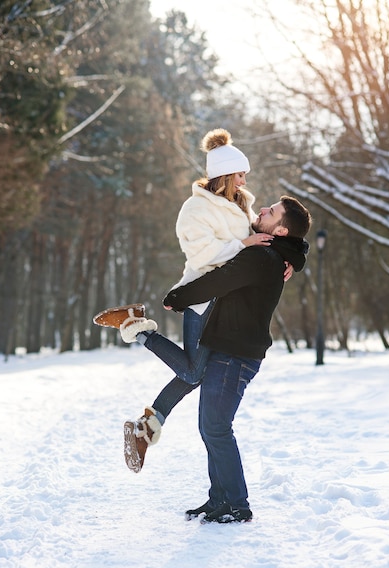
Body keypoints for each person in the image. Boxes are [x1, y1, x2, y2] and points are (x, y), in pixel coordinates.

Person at [94, 129, 290, 467]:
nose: (245, 180)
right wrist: (244, 245)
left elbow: (269, 238)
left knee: (197, 373)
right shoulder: (195, 210)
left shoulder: (240, 205)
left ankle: (146, 427)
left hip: (226, 304)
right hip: (202, 297)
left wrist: (286, 259)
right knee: (195, 372)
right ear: (225, 175)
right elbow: (203, 256)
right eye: (240, 174)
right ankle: (135, 326)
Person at [123, 195, 312, 523]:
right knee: (211, 428)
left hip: (235, 355)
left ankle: (238, 504)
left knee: (217, 428)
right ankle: (219, 501)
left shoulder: (263, 257)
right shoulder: (272, 255)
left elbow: (219, 280)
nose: (262, 210)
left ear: (280, 230)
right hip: (229, 350)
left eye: (271, 212)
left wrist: (178, 297)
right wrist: (295, 256)